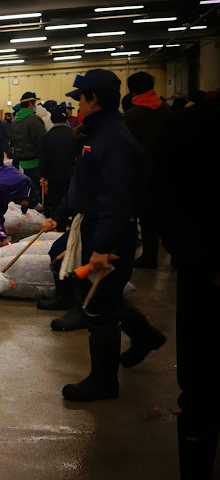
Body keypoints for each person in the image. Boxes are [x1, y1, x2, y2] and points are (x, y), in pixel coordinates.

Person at [41, 68, 165, 402]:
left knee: (99, 305)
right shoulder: (95, 135)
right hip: (90, 224)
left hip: (107, 229)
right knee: (102, 296)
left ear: (93, 99)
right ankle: (146, 336)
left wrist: (102, 246)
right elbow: (82, 185)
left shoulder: (113, 140)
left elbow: (115, 198)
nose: (77, 105)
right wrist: (58, 216)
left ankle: (104, 382)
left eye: (80, 98)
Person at [151, 93, 220, 480]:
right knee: (204, 392)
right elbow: (162, 193)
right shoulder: (195, 124)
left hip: (201, 270)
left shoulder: (190, 122)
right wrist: (201, 259)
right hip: (206, 275)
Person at [123, 71, 172, 270]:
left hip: (142, 175)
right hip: (168, 172)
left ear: (133, 91)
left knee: (147, 218)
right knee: (168, 215)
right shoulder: (166, 111)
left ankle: (150, 256)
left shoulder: (131, 115)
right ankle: (176, 256)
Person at [38, 104, 78, 230]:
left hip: (53, 178)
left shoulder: (47, 136)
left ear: (52, 119)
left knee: (57, 206)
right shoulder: (73, 134)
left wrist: (43, 176)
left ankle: (60, 232)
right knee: (73, 204)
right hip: (72, 177)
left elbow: (43, 159)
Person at [11, 92, 46, 208]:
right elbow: (41, 142)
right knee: (37, 190)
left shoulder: (15, 120)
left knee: (29, 187)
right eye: (34, 103)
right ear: (30, 103)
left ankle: (30, 209)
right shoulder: (34, 119)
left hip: (22, 161)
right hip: (35, 161)